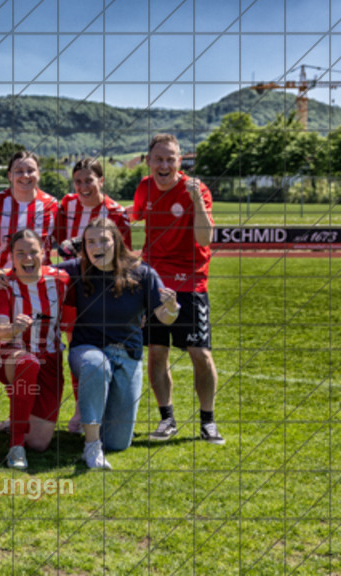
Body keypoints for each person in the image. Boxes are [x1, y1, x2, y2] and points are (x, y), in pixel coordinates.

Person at [63, 219, 180, 469]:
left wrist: (172, 307)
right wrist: (3, 275)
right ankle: (91, 446)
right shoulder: (76, 268)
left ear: (116, 242)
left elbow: (165, 317)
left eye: (103, 240)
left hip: (127, 356)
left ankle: (94, 414)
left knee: (117, 443)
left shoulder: (142, 272)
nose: (97, 246)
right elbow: (35, 271)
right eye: (90, 241)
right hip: (87, 351)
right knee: (97, 365)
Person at [131, 133, 222, 444]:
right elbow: (132, 220)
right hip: (155, 283)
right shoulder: (144, 187)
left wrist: (196, 200)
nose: (164, 165)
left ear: (180, 161)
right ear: (149, 161)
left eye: (171, 159)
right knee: (157, 353)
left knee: (200, 352)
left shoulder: (197, 190)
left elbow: (205, 239)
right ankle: (166, 418)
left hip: (190, 282)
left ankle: (208, 421)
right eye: (159, 159)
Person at [54, 157, 132, 433]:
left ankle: (103, 414)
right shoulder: (66, 205)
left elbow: (124, 257)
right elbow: (60, 243)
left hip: (102, 292)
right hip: (73, 288)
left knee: (104, 351)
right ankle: (80, 411)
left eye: (89, 180)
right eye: (78, 181)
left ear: (101, 180)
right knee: (77, 350)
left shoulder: (116, 212)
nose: (83, 186)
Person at [0, 229, 71, 470]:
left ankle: (19, 420)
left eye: (33, 252)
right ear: (12, 257)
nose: (27, 258)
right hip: (10, 356)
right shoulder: (4, 282)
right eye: (20, 253)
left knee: (39, 443)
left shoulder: (61, 280)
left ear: (44, 253)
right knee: (28, 363)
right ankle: (15, 447)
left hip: (50, 360)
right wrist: (13, 328)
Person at [0, 150, 58, 276]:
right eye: (19, 171)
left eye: (30, 170)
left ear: (38, 173)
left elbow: (63, 243)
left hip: (37, 281)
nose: (25, 175)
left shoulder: (52, 205)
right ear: (9, 176)